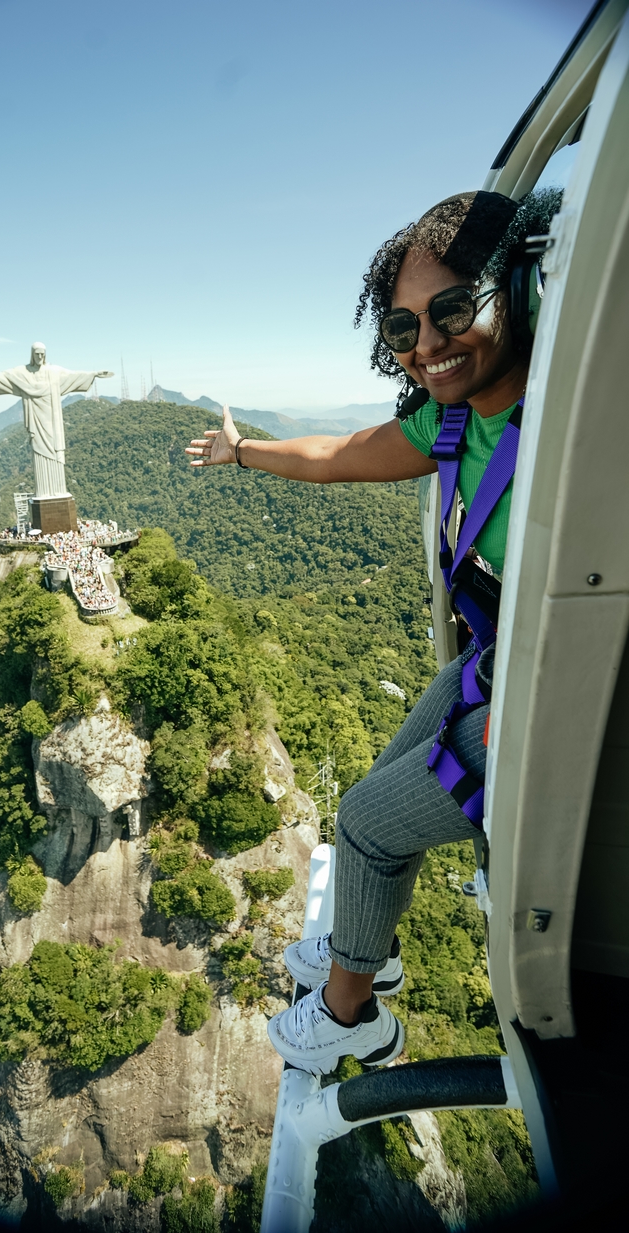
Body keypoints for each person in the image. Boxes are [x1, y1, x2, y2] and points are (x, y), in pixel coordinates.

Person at [186, 188, 563, 1076]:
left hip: (554, 703)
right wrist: (244, 452)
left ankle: (354, 1014)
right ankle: (371, 946)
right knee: (388, 773)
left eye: (452, 310)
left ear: (518, 287)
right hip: (498, 666)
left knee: (362, 822)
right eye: (403, 329)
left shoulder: (572, 417)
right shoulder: (453, 419)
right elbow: (340, 454)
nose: (428, 344)